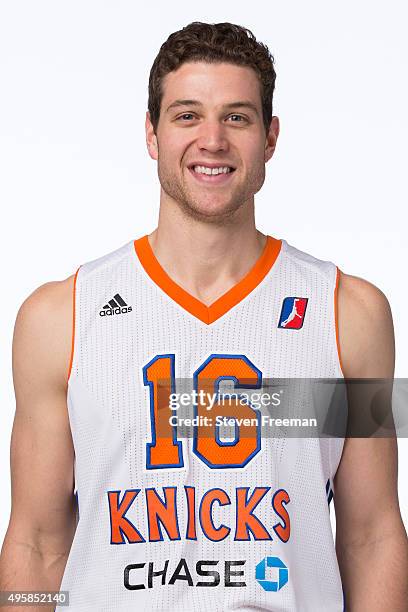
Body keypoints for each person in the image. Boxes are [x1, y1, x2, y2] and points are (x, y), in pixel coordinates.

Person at [0, 21, 407, 612]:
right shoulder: (58, 317)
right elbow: (36, 543)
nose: (212, 140)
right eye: (187, 115)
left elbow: (372, 536)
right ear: (152, 134)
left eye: (237, 117)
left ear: (270, 137)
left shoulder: (352, 313)